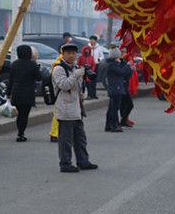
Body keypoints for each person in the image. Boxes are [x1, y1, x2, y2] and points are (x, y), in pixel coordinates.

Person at [53, 44, 97, 173]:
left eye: (74, 53)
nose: (72, 56)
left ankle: (83, 161)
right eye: (69, 53)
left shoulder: (76, 68)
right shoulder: (59, 69)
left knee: (80, 139)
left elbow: (78, 86)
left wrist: (85, 91)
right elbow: (64, 85)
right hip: (65, 109)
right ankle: (65, 163)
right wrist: (76, 75)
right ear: (63, 54)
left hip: (77, 109)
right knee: (66, 140)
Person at [7, 44, 40, 142]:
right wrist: (39, 70)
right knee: (24, 115)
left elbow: (10, 81)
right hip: (28, 93)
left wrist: (8, 93)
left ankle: (19, 132)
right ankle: (21, 134)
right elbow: (38, 78)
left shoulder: (14, 64)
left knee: (19, 114)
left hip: (16, 93)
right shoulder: (32, 64)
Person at [103, 48, 132, 132]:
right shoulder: (112, 65)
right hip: (115, 88)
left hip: (116, 88)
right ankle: (114, 125)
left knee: (112, 108)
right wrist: (127, 66)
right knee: (114, 108)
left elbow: (125, 74)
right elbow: (121, 72)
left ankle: (108, 125)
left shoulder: (114, 64)